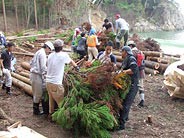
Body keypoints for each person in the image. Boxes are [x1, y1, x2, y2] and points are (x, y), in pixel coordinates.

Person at [46, 39, 79, 117]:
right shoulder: (63, 55)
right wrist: (76, 67)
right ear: (62, 47)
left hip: (48, 82)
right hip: (56, 83)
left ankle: (50, 115)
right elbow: (71, 62)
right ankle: (64, 118)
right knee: (61, 103)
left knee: (51, 99)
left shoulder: (50, 55)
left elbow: (49, 65)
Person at [30, 41, 54, 115]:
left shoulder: (39, 52)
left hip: (36, 74)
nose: (49, 52)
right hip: (36, 75)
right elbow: (43, 67)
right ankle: (36, 110)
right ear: (46, 47)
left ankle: (42, 109)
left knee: (41, 92)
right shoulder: (42, 54)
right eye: (49, 50)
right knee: (38, 93)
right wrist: (50, 72)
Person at [118, 46, 138, 130]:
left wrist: (123, 72)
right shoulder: (126, 59)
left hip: (133, 85)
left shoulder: (131, 58)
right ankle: (125, 118)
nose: (121, 53)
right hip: (128, 85)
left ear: (125, 52)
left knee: (126, 105)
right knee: (124, 103)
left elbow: (133, 69)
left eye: (122, 52)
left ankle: (121, 125)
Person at [128, 41, 145, 107]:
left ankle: (131, 99)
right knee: (141, 86)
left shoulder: (132, 53)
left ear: (131, 46)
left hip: (135, 73)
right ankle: (142, 99)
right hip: (142, 72)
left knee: (132, 85)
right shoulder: (140, 52)